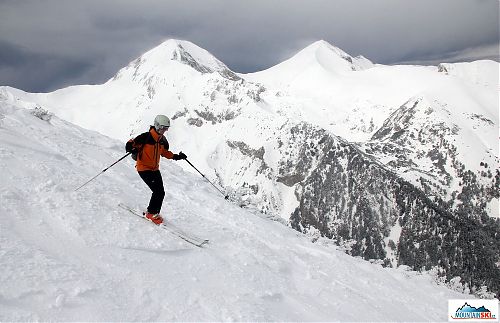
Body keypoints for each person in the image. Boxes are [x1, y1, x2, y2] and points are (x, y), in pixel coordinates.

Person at [125, 115, 186, 224]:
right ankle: (151, 213)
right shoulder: (146, 137)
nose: (164, 130)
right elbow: (130, 142)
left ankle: (154, 212)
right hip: (143, 168)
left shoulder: (161, 141)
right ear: (157, 126)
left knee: (161, 192)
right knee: (157, 191)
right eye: (163, 127)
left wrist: (177, 156)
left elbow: (164, 153)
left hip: (154, 169)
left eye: (166, 128)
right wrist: (130, 148)